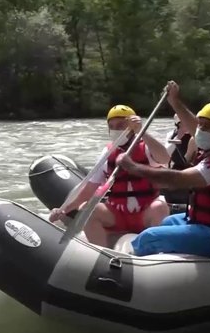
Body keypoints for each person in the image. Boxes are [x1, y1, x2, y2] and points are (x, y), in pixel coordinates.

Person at [116, 81, 210, 259]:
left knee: (148, 238)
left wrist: (134, 167)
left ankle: (130, 267)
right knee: (167, 222)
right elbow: (194, 126)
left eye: (208, 127)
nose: (201, 130)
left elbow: (178, 179)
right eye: (201, 125)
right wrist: (174, 100)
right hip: (207, 224)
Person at [48, 104, 171, 246]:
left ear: (131, 126)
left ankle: (155, 251)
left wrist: (142, 131)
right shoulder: (107, 153)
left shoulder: (147, 147)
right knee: (86, 208)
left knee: (160, 207)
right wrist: (64, 209)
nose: (116, 130)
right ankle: (102, 255)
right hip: (118, 214)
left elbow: (165, 159)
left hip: (145, 212)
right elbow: (89, 190)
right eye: (112, 126)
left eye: (121, 125)